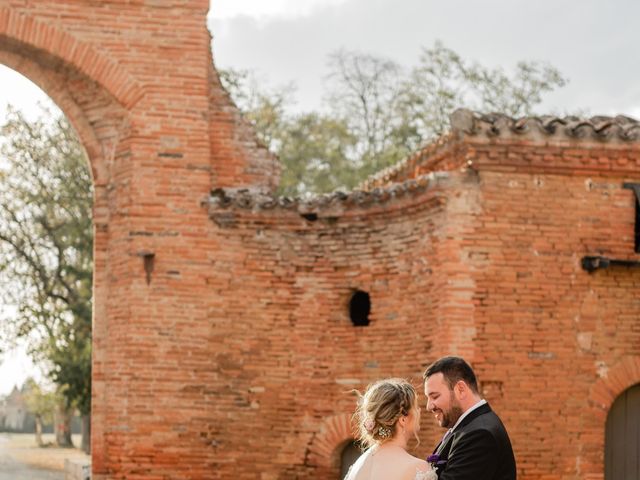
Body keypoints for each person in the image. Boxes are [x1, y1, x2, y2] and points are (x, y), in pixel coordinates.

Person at [423, 356, 517, 480]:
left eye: (434, 396)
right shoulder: (469, 426)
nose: (429, 406)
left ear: (461, 390)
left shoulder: (480, 434)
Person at [345, 378, 437, 480]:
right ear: (402, 419)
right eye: (416, 407)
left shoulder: (358, 465)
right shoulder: (418, 469)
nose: (419, 410)